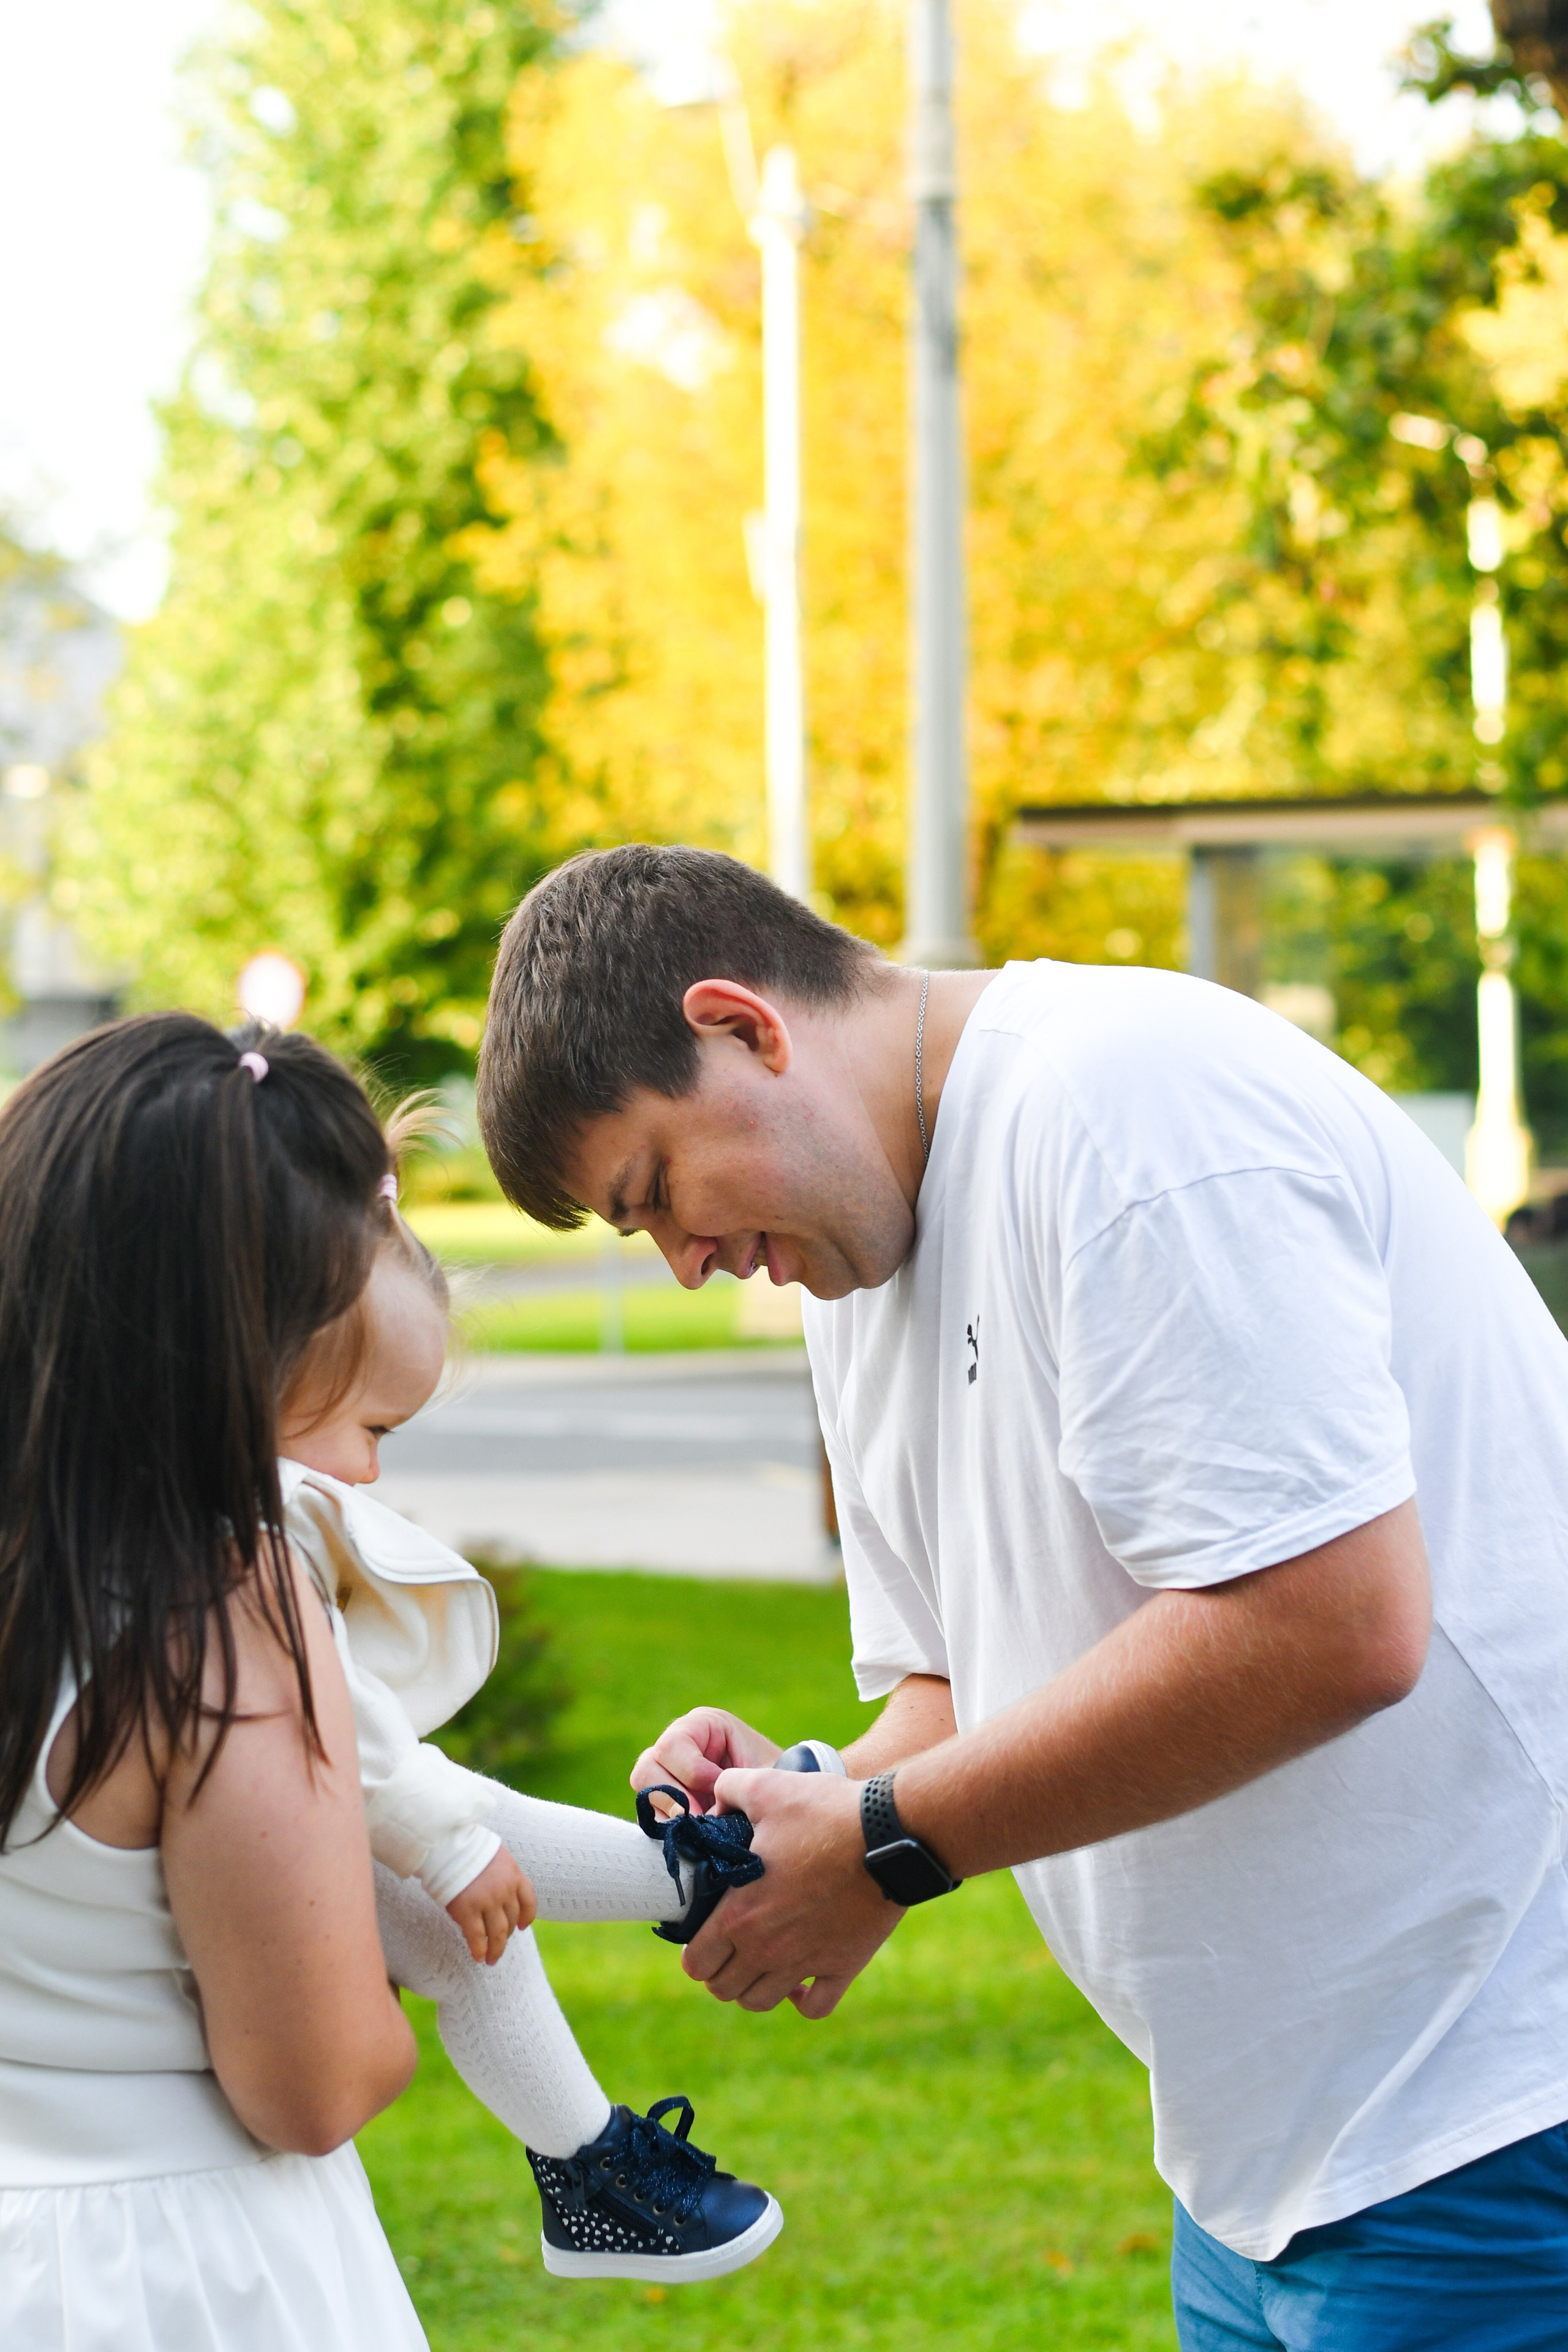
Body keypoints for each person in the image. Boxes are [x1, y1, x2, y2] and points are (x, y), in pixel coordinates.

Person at [476, 842, 1568, 2351]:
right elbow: (964, 1684)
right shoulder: (848, 1275)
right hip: (1261, 2155)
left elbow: (1328, 1621)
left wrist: (883, 1845)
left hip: (1496, 2101)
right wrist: (813, 1796)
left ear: (741, 1027)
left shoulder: (1123, 1106)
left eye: (656, 1191)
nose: (685, 1264)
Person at [273, 1140, 781, 2283]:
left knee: (469, 1918)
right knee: (464, 1868)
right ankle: (690, 1887)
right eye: (372, 1431)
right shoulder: (251, 1526)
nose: (371, 1474)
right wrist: (450, 1849)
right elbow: (331, 1714)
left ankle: (591, 2159)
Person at [0, 1012, 426, 2351]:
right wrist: (400, 1987)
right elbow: (313, 2083)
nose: (360, 1470)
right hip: (169, 2273)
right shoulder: (218, 1610)